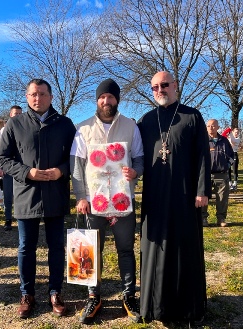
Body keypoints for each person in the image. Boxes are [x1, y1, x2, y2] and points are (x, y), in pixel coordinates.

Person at [0, 78, 76, 319]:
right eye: (33, 94)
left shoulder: (65, 124)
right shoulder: (15, 124)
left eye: (42, 94)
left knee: (56, 247)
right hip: (26, 194)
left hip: (55, 194)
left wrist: (62, 170)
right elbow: (1, 158)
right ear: (27, 97)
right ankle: (27, 294)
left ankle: (55, 292)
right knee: (26, 247)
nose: (37, 98)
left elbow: (77, 157)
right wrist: (26, 172)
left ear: (51, 97)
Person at [137, 71, 211, 325]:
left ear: (176, 86)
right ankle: (153, 307)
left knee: (184, 249)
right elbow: (134, 157)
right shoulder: (146, 120)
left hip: (184, 195)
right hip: (154, 196)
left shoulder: (192, 117)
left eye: (165, 85)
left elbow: (203, 156)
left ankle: (188, 309)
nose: (160, 90)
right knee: (154, 248)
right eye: (155, 87)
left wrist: (202, 191)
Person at [70, 78, 144, 324]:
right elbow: (77, 167)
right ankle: (94, 296)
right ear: (97, 100)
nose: (106, 101)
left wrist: (135, 172)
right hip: (93, 203)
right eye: (102, 97)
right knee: (90, 250)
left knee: (126, 249)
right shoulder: (83, 128)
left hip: (123, 201)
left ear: (117, 100)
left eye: (111, 97)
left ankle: (128, 295)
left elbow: (140, 159)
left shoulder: (131, 127)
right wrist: (81, 196)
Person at [202, 119, 234, 227]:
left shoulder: (224, 141)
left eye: (213, 126)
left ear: (218, 127)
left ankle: (221, 218)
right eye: (208, 126)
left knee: (222, 198)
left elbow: (231, 156)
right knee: (203, 197)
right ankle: (203, 218)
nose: (211, 128)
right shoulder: (201, 141)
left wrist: (227, 166)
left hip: (221, 174)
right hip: (204, 174)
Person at [0, 106, 22, 231]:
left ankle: (22, 217)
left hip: (23, 167)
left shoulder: (25, 128)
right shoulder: (4, 130)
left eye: (20, 113)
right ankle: (8, 219)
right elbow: (0, 152)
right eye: (15, 113)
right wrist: (0, 167)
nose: (18, 115)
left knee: (22, 195)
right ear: (10, 115)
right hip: (8, 167)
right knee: (8, 194)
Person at [222, 126, 240, 191]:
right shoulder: (229, 136)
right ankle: (230, 184)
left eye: (237, 133)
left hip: (234, 154)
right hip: (228, 155)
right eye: (235, 132)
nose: (236, 134)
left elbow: (232, 142)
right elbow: (223, 135)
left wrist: (229, 132)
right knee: (228, 169)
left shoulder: (237, 139)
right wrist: (228, 129)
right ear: (232, 132)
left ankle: (235, 183)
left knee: (234, 170)